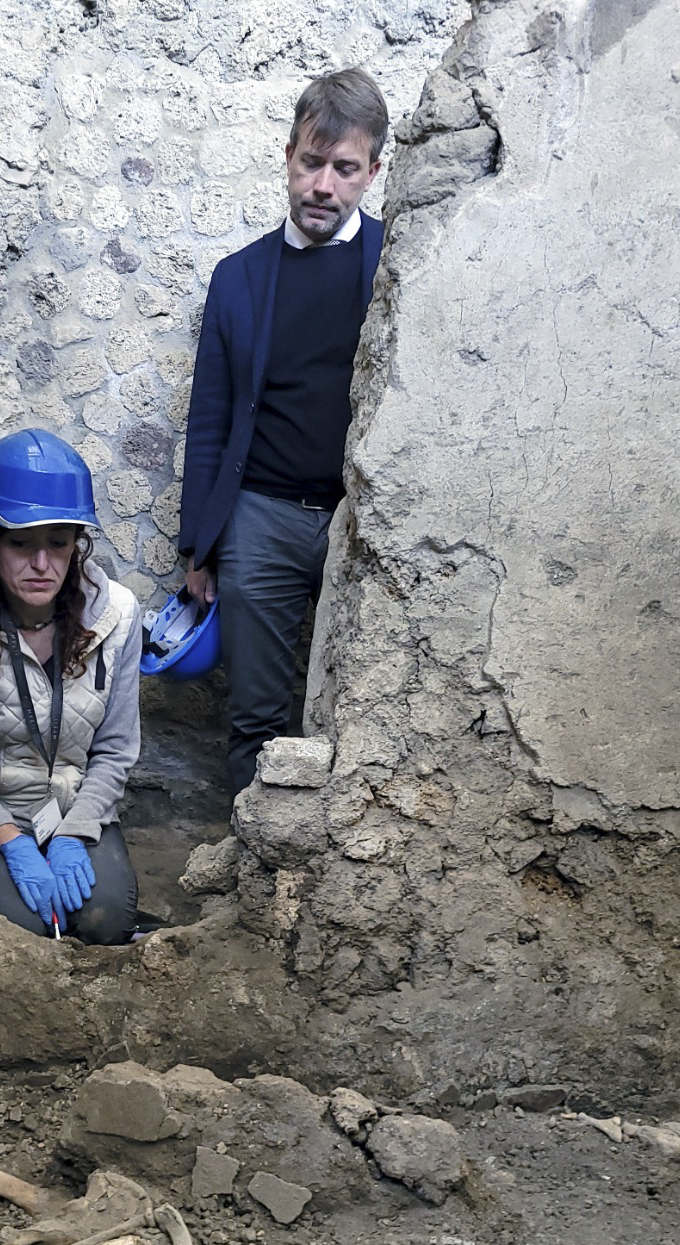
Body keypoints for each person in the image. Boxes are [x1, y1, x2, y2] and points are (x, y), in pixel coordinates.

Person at [178, 67, 389, 797]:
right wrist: (196, 547)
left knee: (360, 719)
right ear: (288, 157)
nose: (322, 186)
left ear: (372, 173)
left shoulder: (399, 266)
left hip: (360, 525)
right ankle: (244, 885)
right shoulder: (237, 278)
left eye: (344, 168)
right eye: (310, 163)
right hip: (259, 522)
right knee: (256, 719)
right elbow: (209, 416)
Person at [0, 428, 142, 944]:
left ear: (76, 546)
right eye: (21, 544)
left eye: (58, 545)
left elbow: (114, 753)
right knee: (20, 935)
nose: (42, 565)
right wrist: (12, 843)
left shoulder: (120, 618)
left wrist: (72, 834)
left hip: (77, 813)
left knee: (104, 924)